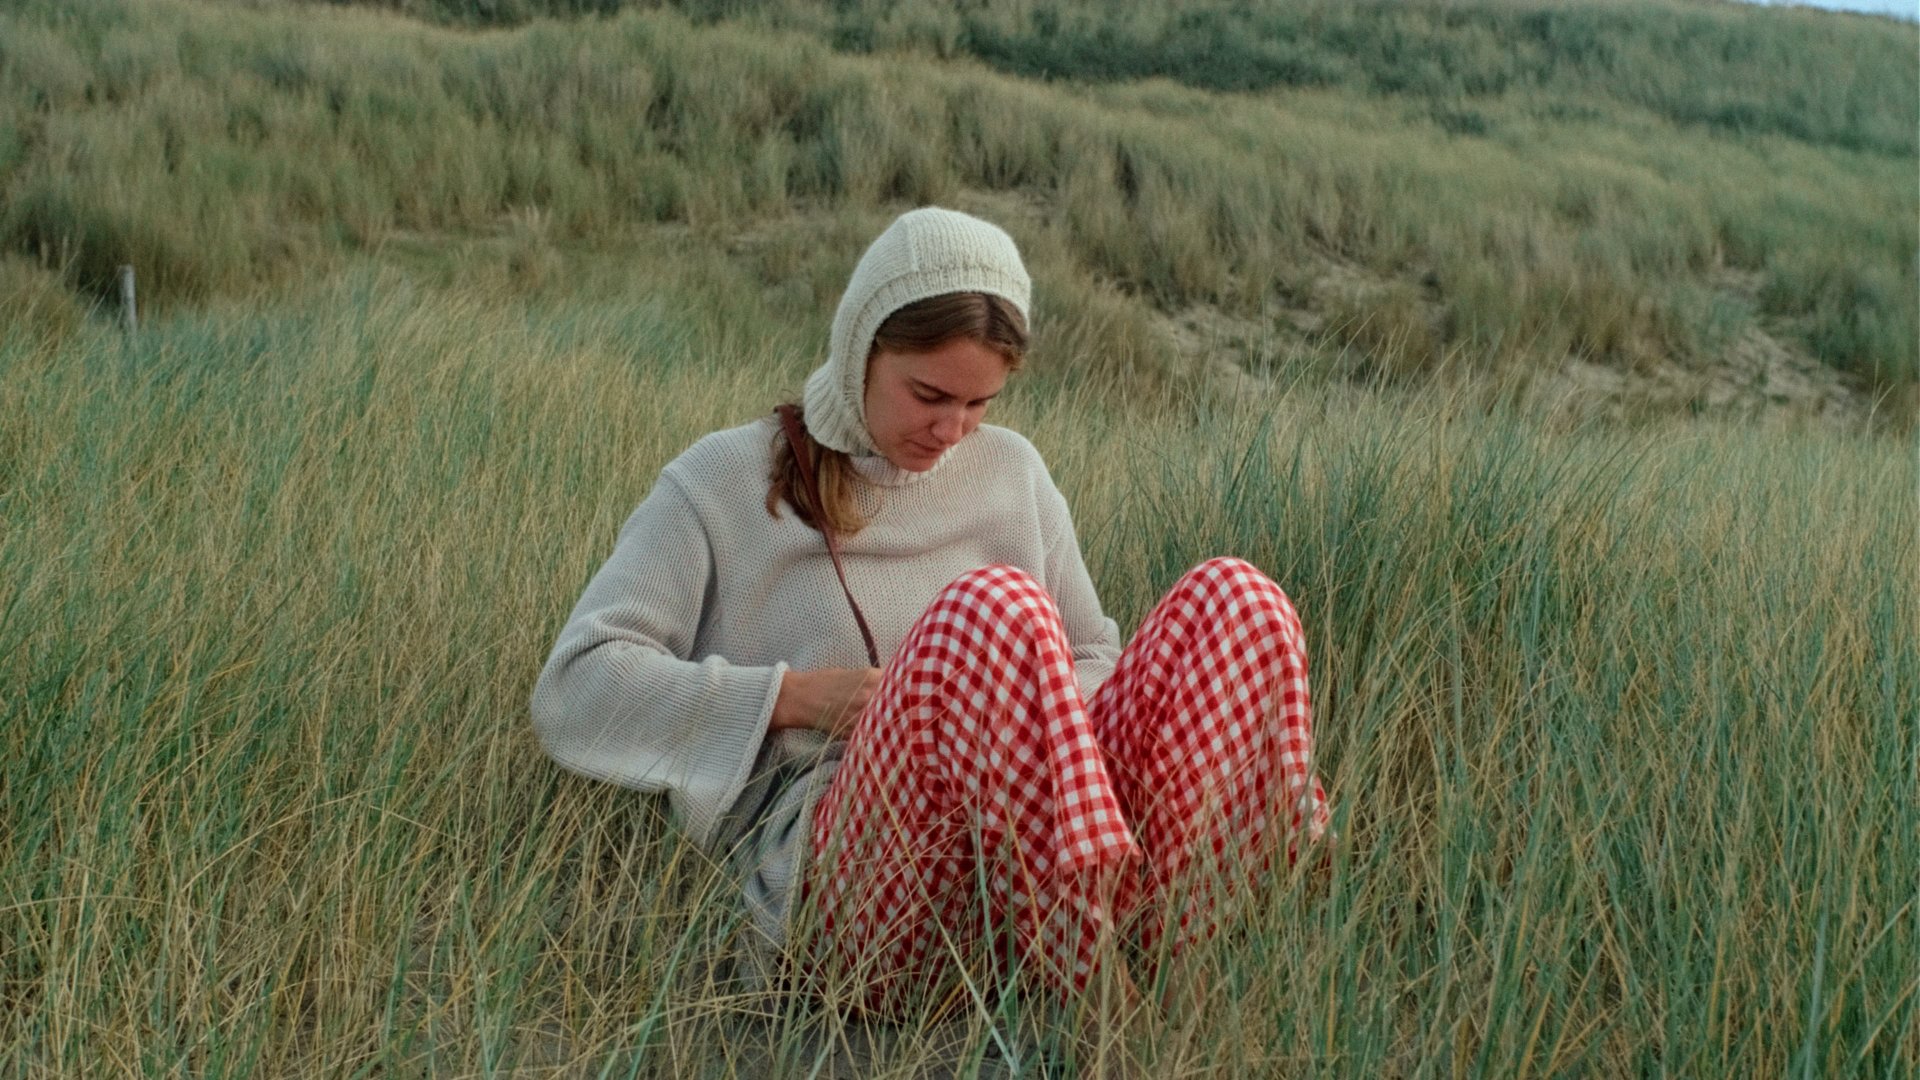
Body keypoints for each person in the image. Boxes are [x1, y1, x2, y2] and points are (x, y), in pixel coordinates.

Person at [530, 206, 1331, 1017]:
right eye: (929, 395)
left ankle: (1178, 975)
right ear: (860, 352)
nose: (952, 430)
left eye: (980, 403)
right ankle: (1107, 1025)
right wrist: (796, 699)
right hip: (847, 894)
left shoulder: (1011, 472)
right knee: (991, 612)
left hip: (1023, 875)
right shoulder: (720, 482)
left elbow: (1095, 657)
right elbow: (577, 685)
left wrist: (1012, 714)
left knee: (1239, 599)